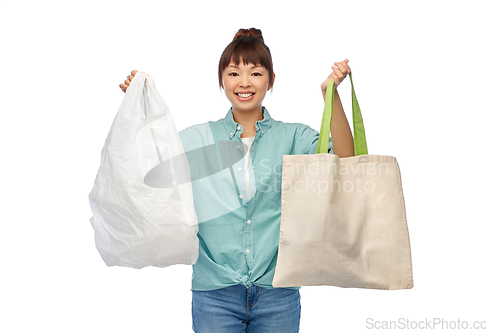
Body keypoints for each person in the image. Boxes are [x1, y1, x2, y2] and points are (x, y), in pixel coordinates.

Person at [119, 28, 354, 333]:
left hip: (277, 292)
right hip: (214, 294)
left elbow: (346, 161)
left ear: (270, 79)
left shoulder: (293, 137)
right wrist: (144, 106)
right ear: (222, 80)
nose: (244, 82)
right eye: (234, 73)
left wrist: (330, 96)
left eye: (255, 73)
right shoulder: (198, 139)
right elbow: (151, 168)